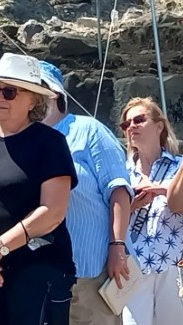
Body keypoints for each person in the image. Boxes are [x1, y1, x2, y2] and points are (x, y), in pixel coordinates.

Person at [0, 53, 78, 325]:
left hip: (36, 270)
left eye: (9, 92)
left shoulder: (50, 143)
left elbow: (53, 211)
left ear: (33, 100)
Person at [39, 61, 133, 325]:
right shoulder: (26, 138)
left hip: (90, 269)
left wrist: (117, 246)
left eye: (38, 88)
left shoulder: (88, 130)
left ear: (55, 94)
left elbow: (119, 191)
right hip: (40, 271)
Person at [118, 97, 183, 325]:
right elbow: (107, 218)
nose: (131, 127)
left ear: (159, 126)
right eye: (126, 124)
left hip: (173, 263)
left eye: (139, 120)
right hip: (133, 266)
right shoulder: (120, 172)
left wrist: (164, 190)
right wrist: (132, 205)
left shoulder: (179, 167)